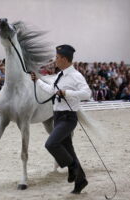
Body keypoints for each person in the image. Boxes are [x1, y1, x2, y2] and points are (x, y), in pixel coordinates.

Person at [30, 44, 91, 194]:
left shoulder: (76, 75)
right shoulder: (59, 75)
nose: (55, 60)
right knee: (70, 152)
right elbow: (51, 90)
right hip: (57, 117)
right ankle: (80, 181)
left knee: (51, 143)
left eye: (57, 58)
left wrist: (67, 93)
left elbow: (87, 93)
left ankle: (72, 167)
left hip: (68, 118)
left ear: (64, 59)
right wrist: (37, 81)